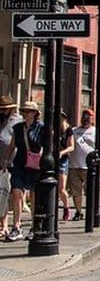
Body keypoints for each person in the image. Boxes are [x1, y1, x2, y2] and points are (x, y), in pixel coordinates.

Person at [2, 101, 45, 241]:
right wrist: (6, 160)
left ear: (35, 113)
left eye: (28, 111)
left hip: (34, 165)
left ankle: (34, 226)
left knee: (33, 195)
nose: (25, 113)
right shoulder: (18, 128)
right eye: (24, 111)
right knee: (16, 192)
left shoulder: (41, 128)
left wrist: (41, 157)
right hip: (20, 163)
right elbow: (12, 145)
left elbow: (46, 145)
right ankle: (16, 226)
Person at [67, 109, 100, 221]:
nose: (85, 120)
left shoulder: (97, 132)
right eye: (84, 117)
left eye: (88, 118)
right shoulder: (74, 130)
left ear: (92, 119)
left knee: (90, 191)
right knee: (76, 192)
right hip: (74, 166)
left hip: (90, 168)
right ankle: (78, 212)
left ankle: (91, 211)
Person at [0, 96, 22, 240]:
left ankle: (16, 225)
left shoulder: (18, 121)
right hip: (2, 163)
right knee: (2, 195)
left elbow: (14, 143)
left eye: (5, 109)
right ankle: (4, 226)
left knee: (14, 194)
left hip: (15, 163)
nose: (3, 111)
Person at [57, 111, 75, 221]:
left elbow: (72, 147)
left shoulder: (68, 130)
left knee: (61, 188)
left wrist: (62, 152)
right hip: (52, 159)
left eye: (60, 117)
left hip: (62, 160)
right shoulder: (53, 128)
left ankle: (66, 207)